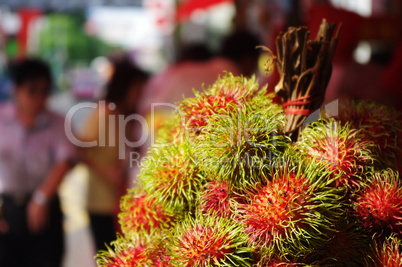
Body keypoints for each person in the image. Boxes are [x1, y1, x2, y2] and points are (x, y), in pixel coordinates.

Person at [0, 58, 76, 267]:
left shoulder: (58, 122)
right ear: (16, 90)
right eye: (32, 91)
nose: (39, 98)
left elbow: (66, 159)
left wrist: (42, 198)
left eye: (45, 91)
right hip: (8, 210)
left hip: (47, 209)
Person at [78, 58, 148, 252]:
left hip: (121, 202)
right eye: (138, 88)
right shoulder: (103, 113)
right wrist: (106, 172)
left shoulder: (124, 115)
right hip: (101, 204)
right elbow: (79, 151)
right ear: (126, 87)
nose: (141, 94)